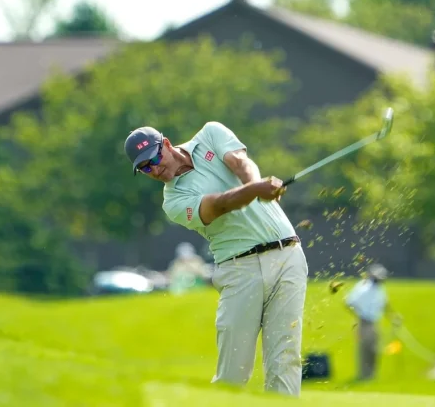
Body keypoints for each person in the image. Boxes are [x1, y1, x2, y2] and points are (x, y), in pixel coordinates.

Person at [124, 122, 308, 397]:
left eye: (155, 158)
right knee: (233, 371)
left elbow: (240, 162)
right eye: (145, 168)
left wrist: (254, 183)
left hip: (289, 255)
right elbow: (219, 204)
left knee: (286, 360)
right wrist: (256, 190)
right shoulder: (173, 201)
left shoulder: (210, 133)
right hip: (240, 269)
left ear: (166, 143)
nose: (154, 169)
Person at [344, 263, 400, 381]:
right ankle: (364, 375)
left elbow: (384, 304)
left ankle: (371, 376)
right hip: (364, 321)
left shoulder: (380, 289)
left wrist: (393, 316)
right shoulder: (363, 287)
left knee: (374, 349)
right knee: (365, 349)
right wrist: (359, 315)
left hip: (374, 322)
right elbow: (348, 302)